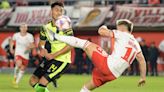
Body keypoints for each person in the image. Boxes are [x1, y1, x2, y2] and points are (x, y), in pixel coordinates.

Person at [49, 19, 146, 91]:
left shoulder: (122, 34)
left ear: (123, 28)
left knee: (85, 44)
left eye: (118, 27)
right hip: (113, 75)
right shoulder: (136, 44)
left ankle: (55, 37)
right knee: (86, 88)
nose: (116, 28)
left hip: (108, 65)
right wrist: (142, 77)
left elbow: (101, 32)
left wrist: (104, 26)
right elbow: (142, 61)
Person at [29, 2, 73, 92]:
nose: (59, 13)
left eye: (61, 11)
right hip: (50, 59)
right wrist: (43, 50)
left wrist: (54, 55)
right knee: (33, 80)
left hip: (62, 60)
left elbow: (71, 44)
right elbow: (41, 43)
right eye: (57, 10)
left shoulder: (66, 26)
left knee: (42, 83)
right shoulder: (45, 27)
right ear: (51, 11)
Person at [10, 23, 35, 88]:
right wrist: (11, 48)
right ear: (20, 28)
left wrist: (29, 47)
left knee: (23, 68)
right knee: (19, 64)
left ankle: (16, 82)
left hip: (26, 54)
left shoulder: (30, 36)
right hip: (18, 53)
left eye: (25, 27)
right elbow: (12, 41)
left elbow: (33, 45)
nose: (23, 28)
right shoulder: (16, 35)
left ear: (27, 28)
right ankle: (15, 77)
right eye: (22, 27)